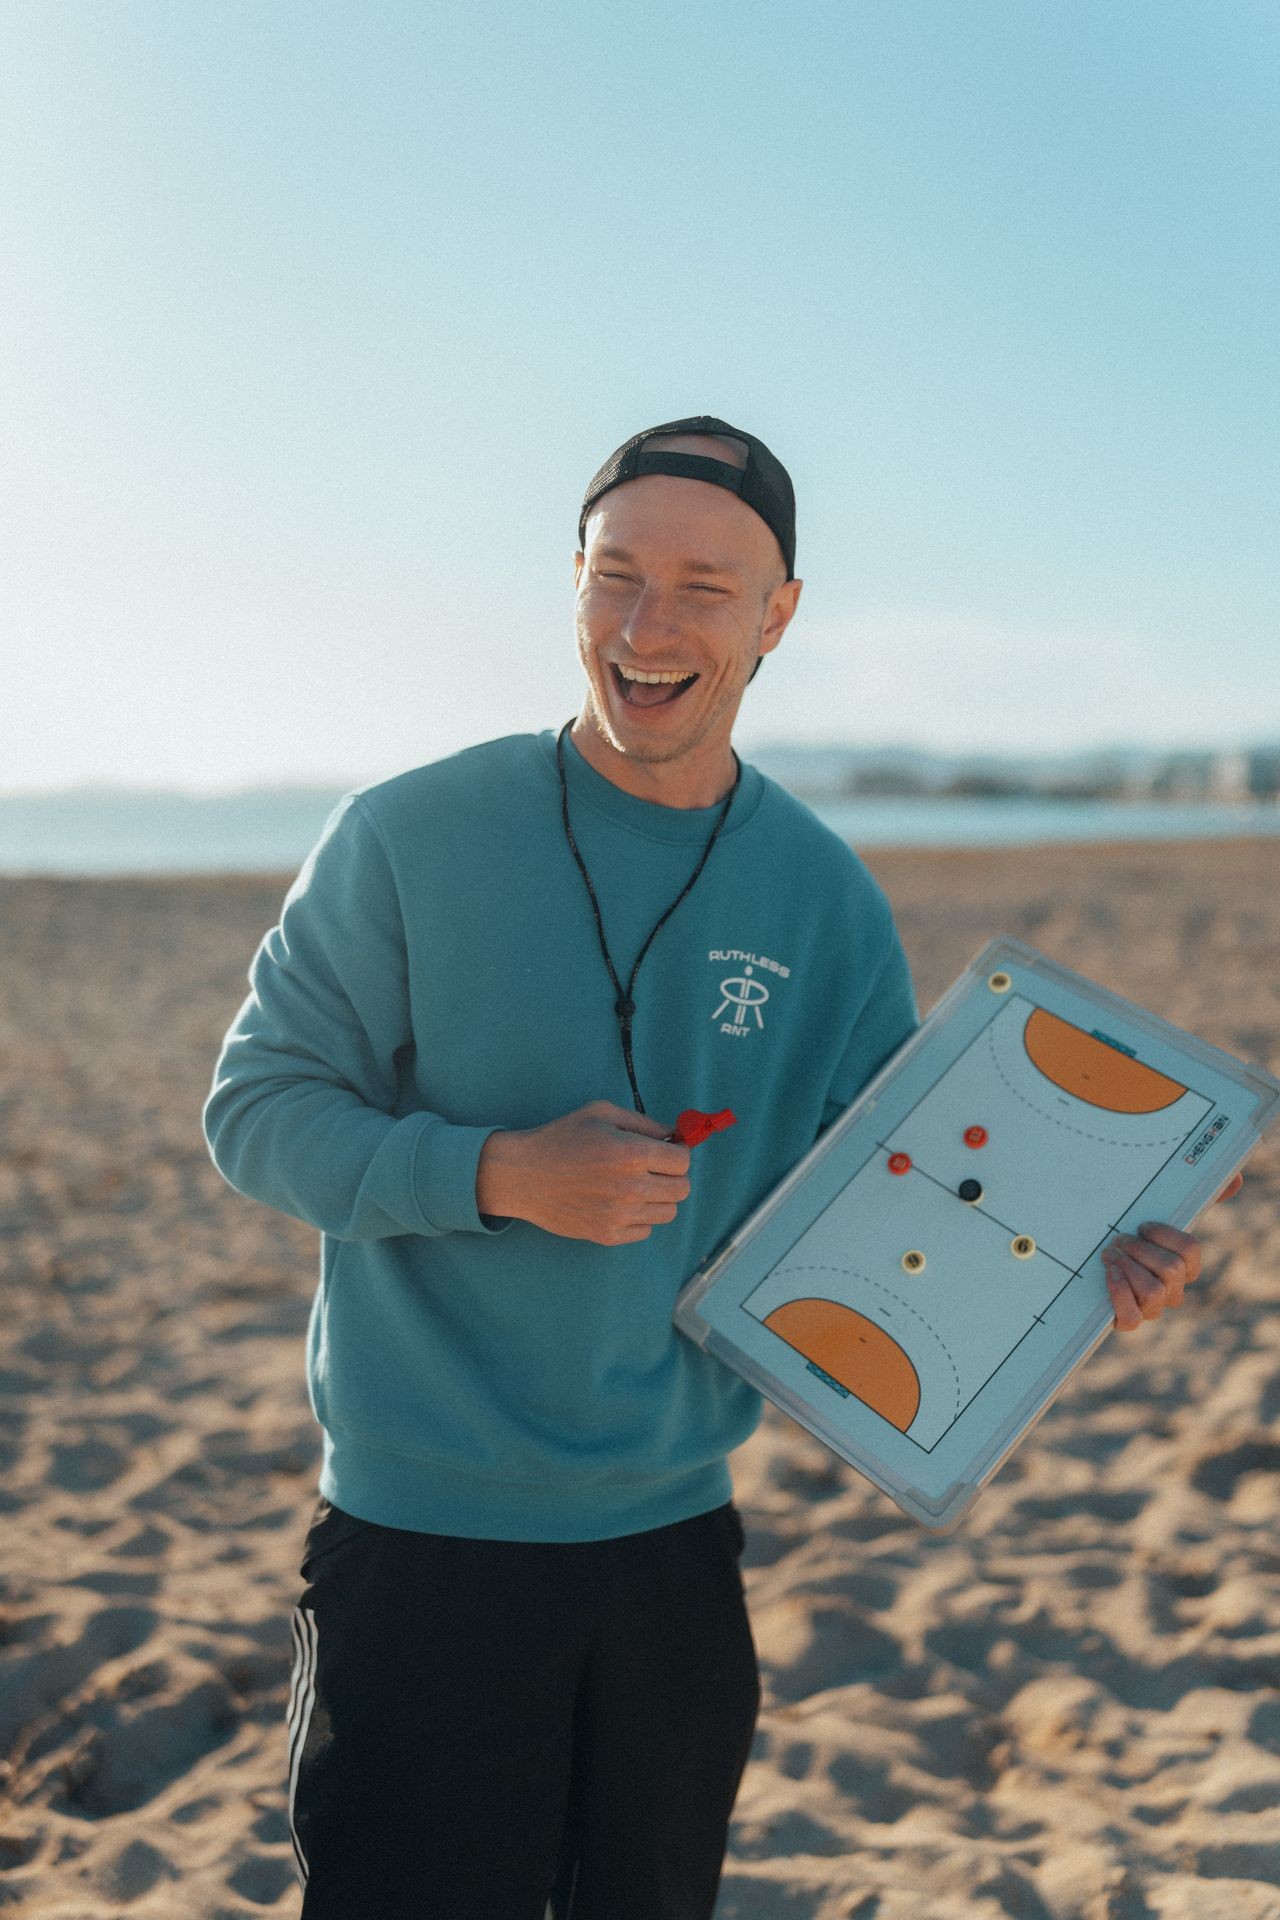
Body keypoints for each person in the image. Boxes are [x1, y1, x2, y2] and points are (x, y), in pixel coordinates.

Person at [201, 415, 1240, 1920]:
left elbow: (896, 1200)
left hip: (674, 1554)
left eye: (702, 586)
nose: (647, 626)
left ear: (779, 616)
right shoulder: (408, 835)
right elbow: (256, 1113)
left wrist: (1090, 1269)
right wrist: (497, 1171)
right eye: (615, 576)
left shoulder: (820, 894)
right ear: (571, 584)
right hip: (427, 1541)